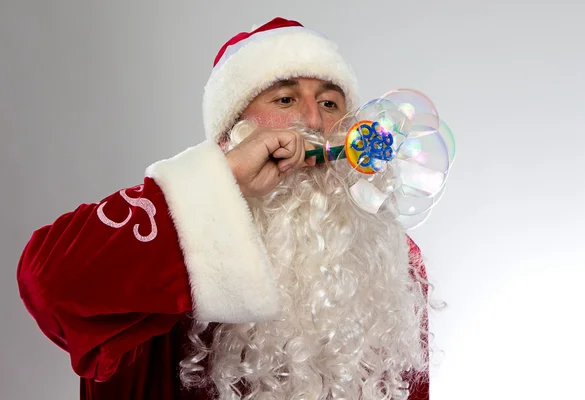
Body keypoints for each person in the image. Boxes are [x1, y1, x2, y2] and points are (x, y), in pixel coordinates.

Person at [17, 17, 432, 399]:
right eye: (285, 99)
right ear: (232, 133)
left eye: (329, 104)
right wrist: (225, 176)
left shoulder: (394, 260)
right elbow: (50, 285)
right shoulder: (179, 232)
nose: (313, 120)